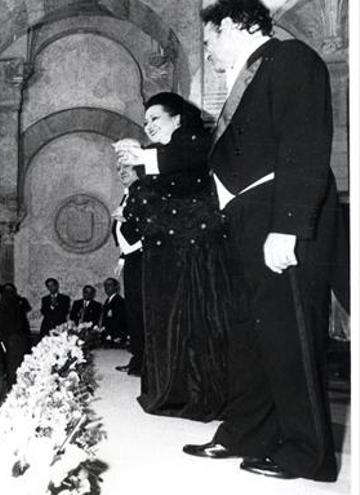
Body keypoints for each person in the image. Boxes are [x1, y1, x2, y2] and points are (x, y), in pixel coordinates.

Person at [182, 1, 339, 481]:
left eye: (208, 42)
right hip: (249, 217)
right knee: (252, 334)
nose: (207, 54)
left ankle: (305, 452)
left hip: (279, 214)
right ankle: (245, 432)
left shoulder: (292, 60)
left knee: (290, 335)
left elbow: (305, 143)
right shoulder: (251, 73)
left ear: (231, 25)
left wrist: (288, 226)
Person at [116, 91, 233, 422]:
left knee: (192, 324)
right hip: (167, 254)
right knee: (166, 323)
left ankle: (191, 394)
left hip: (192, 254)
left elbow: (182, 178)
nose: (149, 126)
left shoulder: (192, 142)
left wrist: (141, 171)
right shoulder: (160, 154)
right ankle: (171, 391)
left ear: (178, 118)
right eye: (145, 122)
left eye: (155, 118)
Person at [111, 163, 145, 377]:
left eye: (127, 167)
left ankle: (144, 363)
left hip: (143, 258)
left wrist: (130, 217)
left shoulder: (143, 191)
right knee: (134, 312)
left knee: (140, 311)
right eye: (118, 168)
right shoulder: (129, 193)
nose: (121, 171)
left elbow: (148, 225)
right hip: (132, 258)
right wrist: (123, 258)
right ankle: (138, 360)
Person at [0, 284, 29, 403]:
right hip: (17, 340)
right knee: (13, 370)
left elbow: (1, 326)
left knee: (12, 371)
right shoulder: (12, 301)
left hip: (14, 342)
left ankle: (12, 399)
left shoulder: (6, 304)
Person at [99, 278, 127, 348]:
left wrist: (116, 335)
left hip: (116, 336)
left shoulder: (118, 300)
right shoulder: (108, 300)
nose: (106, 287)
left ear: (116, 287)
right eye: (105, 285)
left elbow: (119, 319)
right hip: (109, 335)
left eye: (109, 285)